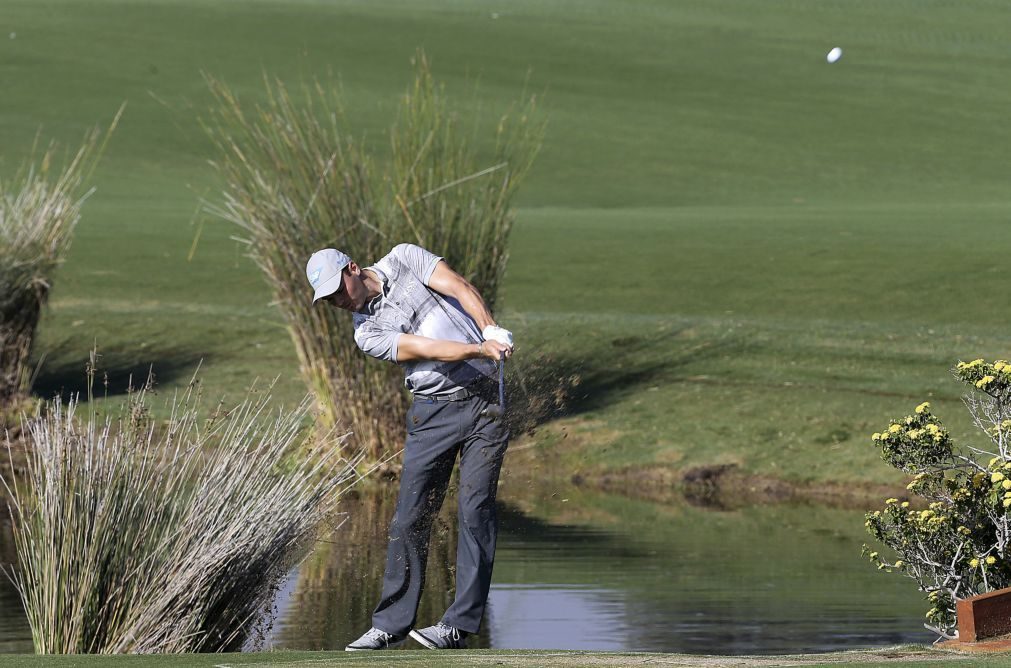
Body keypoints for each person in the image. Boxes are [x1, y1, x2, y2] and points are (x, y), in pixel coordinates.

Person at [305, 243, 514, 651]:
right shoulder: (366, 333)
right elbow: (427, 348)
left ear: (352, 268)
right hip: (432, 414)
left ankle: (458, 626)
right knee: (410, 517)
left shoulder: (403, 257)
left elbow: (457, 286)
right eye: (328, 299)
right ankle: (390, 625)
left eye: (338, 290)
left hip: (486, 400)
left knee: (475, 509)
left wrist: (488, 328)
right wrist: (478, 348)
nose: (337, 302)